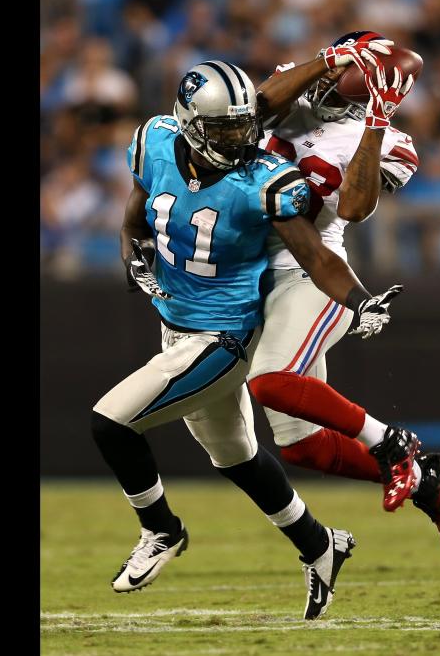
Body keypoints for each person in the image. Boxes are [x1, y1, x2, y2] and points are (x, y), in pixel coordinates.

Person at [90, 60, 402, 619]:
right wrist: (133, 253)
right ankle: (319, 544)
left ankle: (161, 529)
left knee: (110, 422)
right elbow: (136, 217)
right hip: (176, 325)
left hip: (224, 336)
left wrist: (359, 301)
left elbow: (314, 253)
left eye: (243, 124)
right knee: (236, 457)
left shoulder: (265, 179)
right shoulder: (153, 143)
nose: (239, 135)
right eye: (225, 128)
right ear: (188, 124)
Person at [245, 31, 440, 549]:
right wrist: (328, 60)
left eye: (351, 91)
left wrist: (375, 120)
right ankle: (424, 480)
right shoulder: (295, 81)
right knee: (299, 447)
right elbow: (252, 111)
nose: (332, 94)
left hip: (313, 273)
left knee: (270, 381)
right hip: (248, 272)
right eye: (341, 83)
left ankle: (393, 444)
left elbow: (353, 208)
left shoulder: (394, 144)